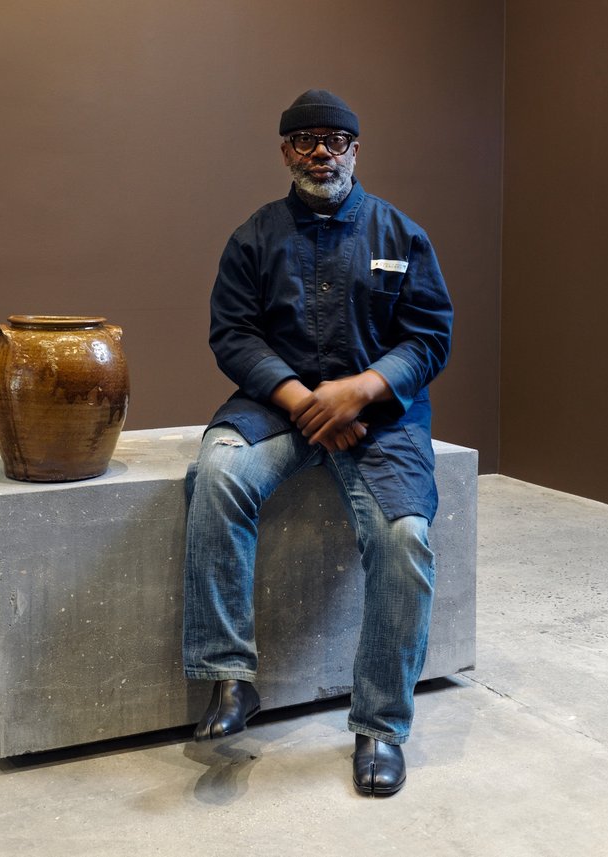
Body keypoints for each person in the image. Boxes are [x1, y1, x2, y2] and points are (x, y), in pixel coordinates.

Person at [182, 89, 454, 797]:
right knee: (217, 473)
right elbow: (233, 333)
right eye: (305, 139)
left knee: (405, 537)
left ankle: (381, 726)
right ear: (285, 152)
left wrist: (362, 389)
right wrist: (305, 398)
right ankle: (229, 679)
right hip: (279, 407)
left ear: (356, 150)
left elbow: (429, 337)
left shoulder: (401, 235)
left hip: (381, 419)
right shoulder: (255, 236)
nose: (321, 151)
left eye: (335, 139)